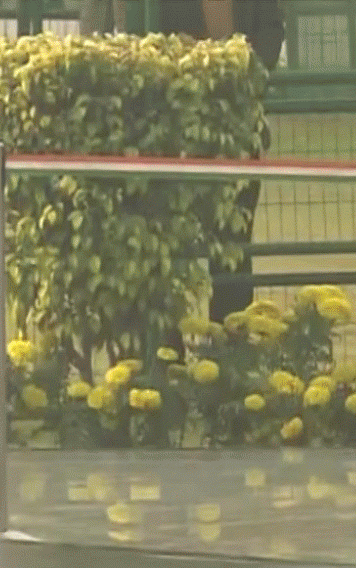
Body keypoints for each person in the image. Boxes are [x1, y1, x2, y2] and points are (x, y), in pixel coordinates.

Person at [131, 0, 286, 325]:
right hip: (176, 128)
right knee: (167, 246)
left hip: (239, 127)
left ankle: (231, 348)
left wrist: (247, 71)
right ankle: (166, 353)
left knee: (234, 246)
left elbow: (272, 29)